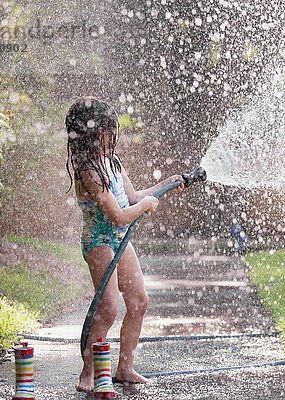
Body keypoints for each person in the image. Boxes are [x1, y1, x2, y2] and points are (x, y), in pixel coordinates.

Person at [65, 96, 184, 391]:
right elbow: (118, 215)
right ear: (90, 134)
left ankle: (125, 367)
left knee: (139, 301)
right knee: (107, 309)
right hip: (100, 241)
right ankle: (88, 373)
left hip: (120, 239)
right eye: (106, 130)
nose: (111, 135)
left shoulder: (112, 162)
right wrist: (145, 206)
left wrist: (166, 183)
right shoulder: (90, 172)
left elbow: (132, 197)